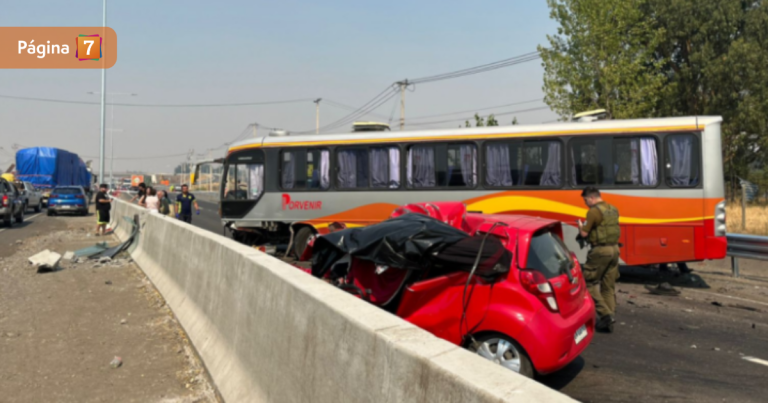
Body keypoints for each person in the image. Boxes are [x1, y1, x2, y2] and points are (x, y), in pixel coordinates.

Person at [577, 186, 621, 333]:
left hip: (600, 251)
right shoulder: (613, 209)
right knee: (608, 286)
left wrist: (580, 226)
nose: (585, 203)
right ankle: (609, 319)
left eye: (585, 200)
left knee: (588, 282)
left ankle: (606, 314)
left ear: (592, 198)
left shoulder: (594, 212)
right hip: (615, 250)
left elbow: (584, 234)